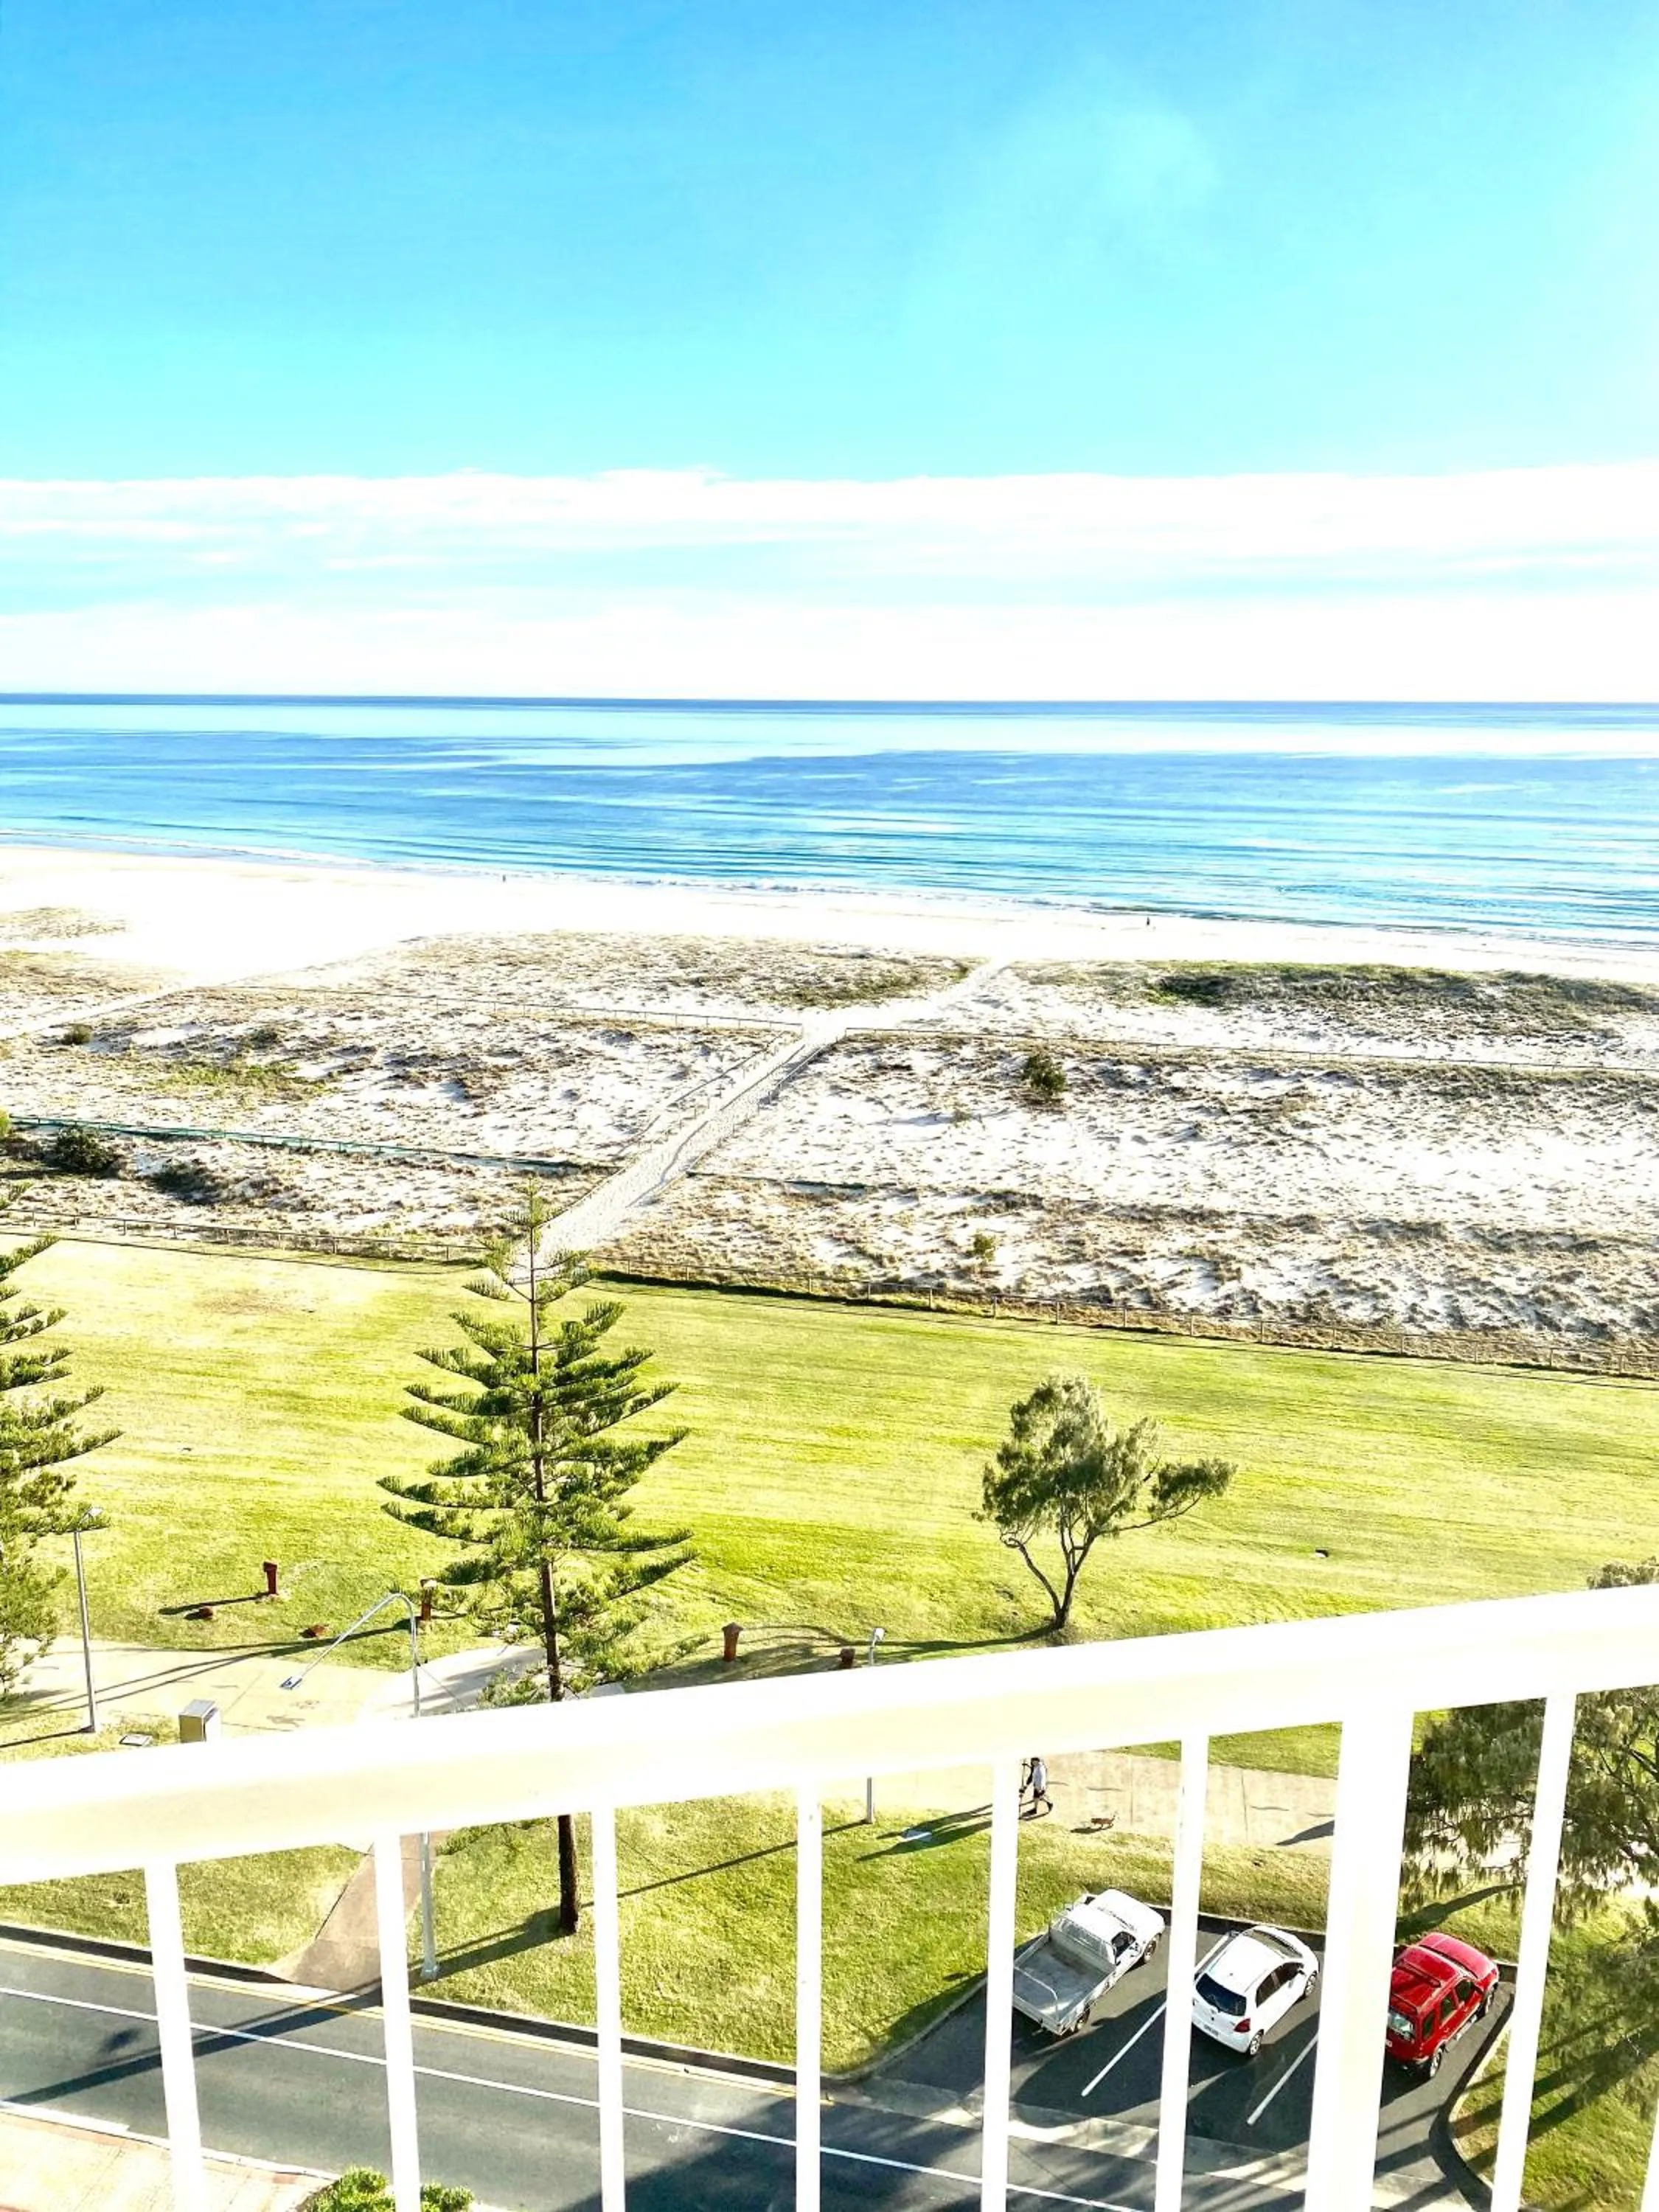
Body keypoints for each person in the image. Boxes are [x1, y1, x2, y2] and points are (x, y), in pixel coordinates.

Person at [1023, 1753, 1052, 1818]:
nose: (1033, 1763)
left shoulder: (1039, 1770)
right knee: (1037, 1797)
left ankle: (1048, 1804)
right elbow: (1033, 1771)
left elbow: (1034, 1777)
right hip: (1038, 1785)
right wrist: (1028, 1766)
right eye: (1032, 1762)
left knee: (1038, 1797)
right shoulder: (1038, 1766)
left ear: (1037, 1761)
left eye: (1034, 1762)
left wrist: (1038, 1788)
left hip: (1039, 1786)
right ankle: (1036, 1809)